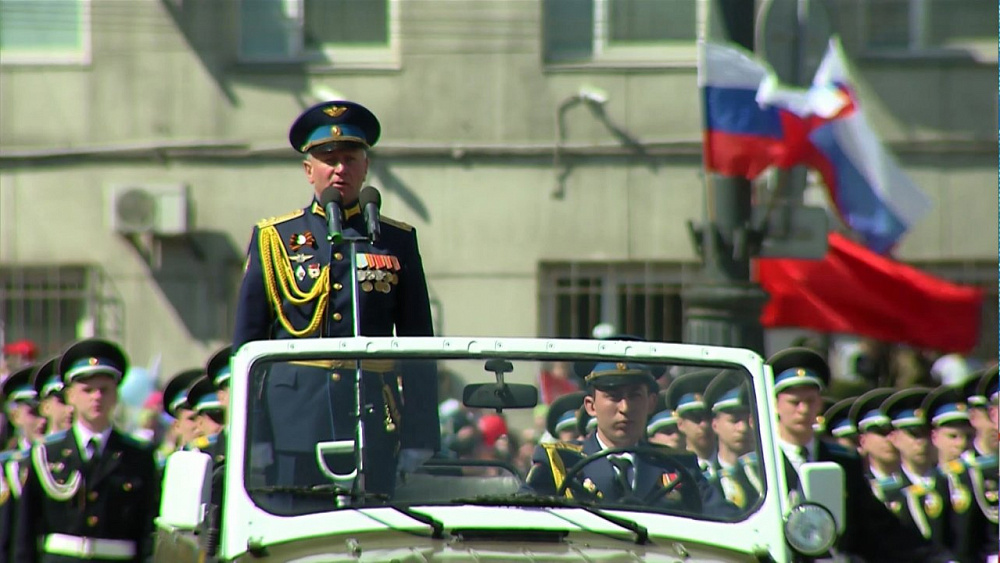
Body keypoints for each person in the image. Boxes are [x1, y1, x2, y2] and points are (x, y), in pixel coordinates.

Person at [232, 100, 439, 498]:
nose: (340, 168)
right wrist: (250, 432)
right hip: (292, 422)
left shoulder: (394, 239)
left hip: (374, 417)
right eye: (328, 159)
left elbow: (419, 346)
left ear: (366, 167)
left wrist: (421, 434)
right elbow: (247, 345)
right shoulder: (275, 238)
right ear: (309, 170)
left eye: (350, 158)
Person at [766, 347, 953, 561]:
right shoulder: (763, 462)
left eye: (810, 401)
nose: (802, 410)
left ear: (819, 403)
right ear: (775, 404)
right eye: (794, 402)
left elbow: (875, 526)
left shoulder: (843, 460)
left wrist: (937, 559)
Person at [522, 362, 736, 518]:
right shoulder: (559, 462)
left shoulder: (678, 466)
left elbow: (725, 518)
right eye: (614, 397)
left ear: (651, 403)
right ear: (591, 406)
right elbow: (525, 521)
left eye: (634, 396)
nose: (625, 408)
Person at [14, 338, 160, 563]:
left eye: (104, 390)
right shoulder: (46, 454)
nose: (96, 397)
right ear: (70, 396)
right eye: (87, 390)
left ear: (116, 395)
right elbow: (26, 531)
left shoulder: (138, 456)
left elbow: (146, 529)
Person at [923, 385, 986, 563]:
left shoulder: (978, 478)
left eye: (967, 436)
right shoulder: (930, 482)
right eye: (953, 436)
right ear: (935, 437)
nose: (961, 444)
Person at [702, 370, 760, 510]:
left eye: (749, 420)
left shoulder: (767, 474)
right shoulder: (707, 480)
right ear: (714, 424)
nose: (743, 428)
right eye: (734, 421)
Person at [848, 387, 903, 503]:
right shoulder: (857, 486)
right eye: (881, 432)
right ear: (863, 441)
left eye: (894, 431)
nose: (889, 439)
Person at [663, 370, 717, 479]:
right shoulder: (674, 469)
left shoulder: (734, 466)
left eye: (708, 417)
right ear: (680, 424)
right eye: (696, 418)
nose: (704, 425)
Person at [29, 357, 73, 436]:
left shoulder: (95, 446)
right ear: (46, 407)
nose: (71, 409)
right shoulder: (41, 448)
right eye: (63, 401)